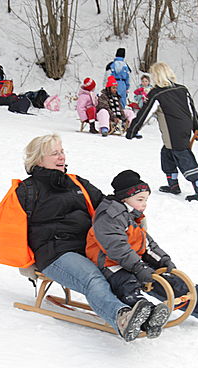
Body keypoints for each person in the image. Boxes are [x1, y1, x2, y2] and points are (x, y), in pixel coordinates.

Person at [15, 134, 155, 342]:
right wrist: (24, 263)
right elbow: (13, 227)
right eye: (54, 153)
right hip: (55, 252)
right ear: (38, 159)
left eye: (62, 151)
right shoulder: (27, 190)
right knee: (93, 278)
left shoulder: (76, 183)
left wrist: (130, 214)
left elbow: (107, 207)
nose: (61, 156)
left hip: (87, 246)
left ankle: (154, 309)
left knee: (124, 268)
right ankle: (121, 317)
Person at [86, 169, 198, 337]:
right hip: (109, 264)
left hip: (130, 261)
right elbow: (117, 247)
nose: (144, 204)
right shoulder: (110, 216)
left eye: (146, 200)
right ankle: (142, 314)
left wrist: (163, 260)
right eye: (140, 199)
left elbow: (146, 244)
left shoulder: (131, 216)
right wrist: (139, 267)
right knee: (128, 284)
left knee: (164, 278)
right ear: (124, 199)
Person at [126, 62, 198, 202]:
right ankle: (173, 186)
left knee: (183, 157)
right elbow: (192, 110)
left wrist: (132, 130)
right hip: (184, 129)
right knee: (166, 154)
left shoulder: (157, 93)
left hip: (173, 132)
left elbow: (145, 114)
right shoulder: (182, 89)